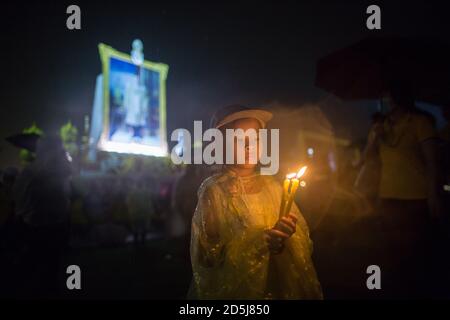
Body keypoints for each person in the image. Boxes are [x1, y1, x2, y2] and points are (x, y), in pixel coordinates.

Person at [189, 105, 323, 299]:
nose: (249, 146)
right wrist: (258, 242)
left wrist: (285, 238)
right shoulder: (215, 192)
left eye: (255, 138)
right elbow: (208, 258)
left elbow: (303, 246)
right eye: (239, 139)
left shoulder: (274, 188)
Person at [363, 81, 445, 298]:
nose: (383, 103)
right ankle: (393, 289)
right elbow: (367, 159)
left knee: (415, 253)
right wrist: (375, 137)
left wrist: (433, 195)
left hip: (416, 197)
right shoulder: (381, 128)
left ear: (399, 99)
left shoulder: (420, 123)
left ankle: (417, 290)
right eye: (381, 100)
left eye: (387, 99)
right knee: (391, 250)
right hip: (388, 196)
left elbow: (431, 162)